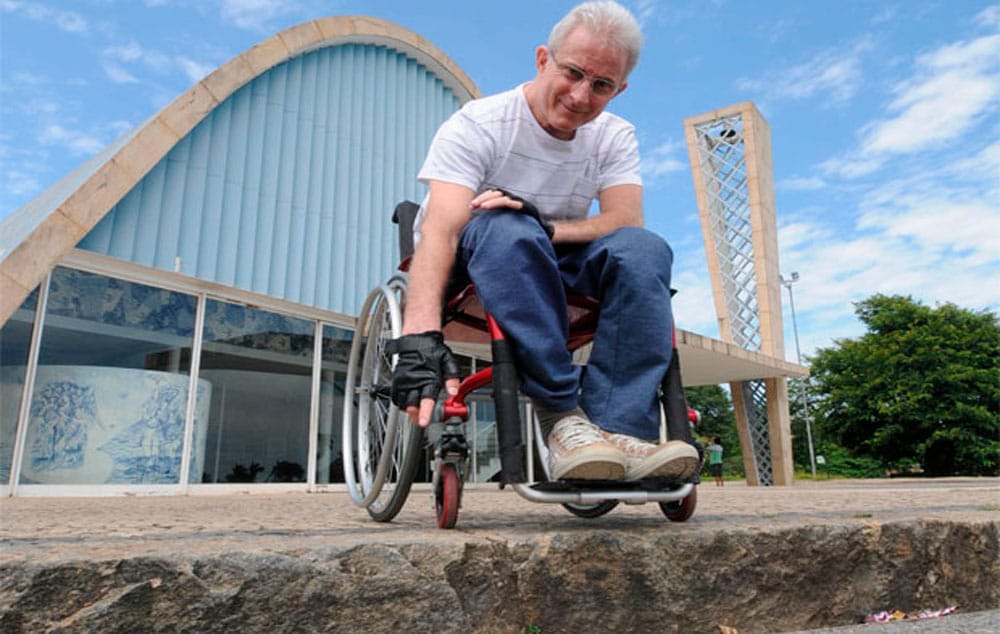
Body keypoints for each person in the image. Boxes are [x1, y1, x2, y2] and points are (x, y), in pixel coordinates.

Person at [388, 1, 698, 483]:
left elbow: (623, 218)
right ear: (542, 60)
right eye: (572, 72)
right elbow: (441, 230)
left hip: (553, 257)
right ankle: (561, 414)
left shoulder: (614, 136)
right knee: (506, 226)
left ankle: (618, 430)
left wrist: (548, 227)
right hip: (476, 259)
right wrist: (418, 335)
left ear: (620, 89)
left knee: (644, 249)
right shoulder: (479, 123)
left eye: (601, 85)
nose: (580, 96)